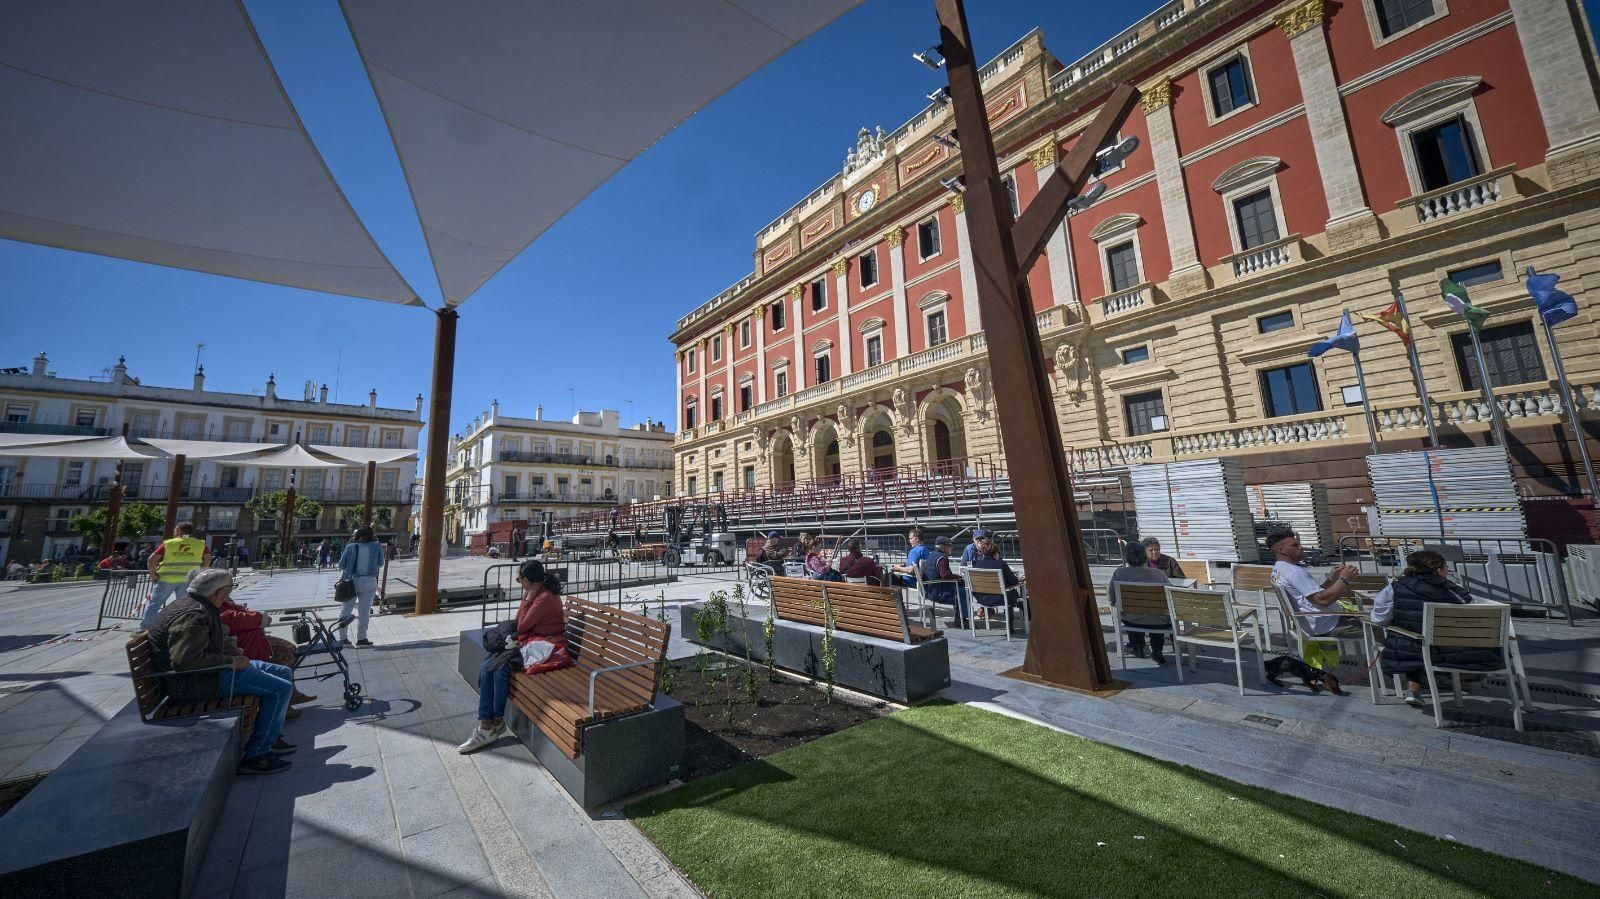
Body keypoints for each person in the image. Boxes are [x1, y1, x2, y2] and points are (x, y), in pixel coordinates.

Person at [146, 568, 295, 774]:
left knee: (283, 673)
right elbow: (184, 661)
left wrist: (235, 654)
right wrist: (231, 661)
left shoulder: (201, 605)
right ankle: (257, 755)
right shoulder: (193, 616)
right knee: (281, 688)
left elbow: (220, 638)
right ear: (217, 592)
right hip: (196, 682)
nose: (231, 593)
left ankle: (269, 733)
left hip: (210, 672)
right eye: (230, 589)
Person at [459, 559, 574, 753]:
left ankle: (491, 724)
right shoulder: (537, 593)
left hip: (548, 648)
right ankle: (490, 723)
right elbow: (519, 621)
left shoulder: (544, 598)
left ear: (528, 580)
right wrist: (527, 598)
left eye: (520, 579)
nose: (520, 583)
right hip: (533, 643)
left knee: (499, 667)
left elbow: (521, 625)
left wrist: (527, 599)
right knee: (488, 665)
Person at [1372, 550, 1499, 707]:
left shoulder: (1395, 587)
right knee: (1426, 644)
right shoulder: (1453, 590)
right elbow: (1473, 611)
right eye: (1447, 568)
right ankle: (1444, 680)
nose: (1448, 571)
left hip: (1411, 650)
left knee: (1415, 641)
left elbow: (1379, 618)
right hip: (1455, 651)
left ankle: (1415, 688)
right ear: (1438, 570)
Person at [1268, 529, 1361, 691]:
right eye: (1295, 545)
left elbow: (1310, 596)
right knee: (1384, 630)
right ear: (1281, 550)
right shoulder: (1295, 572)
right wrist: (1344, 579)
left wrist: (1331, 580)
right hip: (1327, 623)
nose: (1301, 548)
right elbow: (1322, 600)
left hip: (1311, 622)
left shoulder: (1278, 569)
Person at [215, 582, 317, 718]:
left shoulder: (218, 599)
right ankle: (284, 703)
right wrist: (260, 617)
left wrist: (256, 616)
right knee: (286, 654)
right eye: (229, 585)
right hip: (243, 646)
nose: (231, 588)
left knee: (290, 649)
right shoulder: (214, 602)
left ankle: (291, 694)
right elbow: (232, 618)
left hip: (250, 640)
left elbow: (237, 614)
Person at [142, 522, 210, 630]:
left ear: (179, 531)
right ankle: (181, 628)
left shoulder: (169, 543)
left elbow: (151, 560)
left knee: (155, 604)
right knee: (184, 606)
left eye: (175, 530)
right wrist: (200, 572)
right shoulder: (200, 544)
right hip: (188, 580)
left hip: (166, 579)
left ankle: (145, 628)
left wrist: (153, 575)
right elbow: (207, 559)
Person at [1111, 541, 1171, 663]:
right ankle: (1157, 651)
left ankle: (1137, 647)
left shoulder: (1119, 573)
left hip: (1132, 620)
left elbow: (1112, 597)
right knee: (1155, 615)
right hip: (1158, 620)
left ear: (1126, 557)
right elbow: (1170, 596)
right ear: (1145, 556)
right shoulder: (1158, 574)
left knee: (1131, 614)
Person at [337, 527, 385, 647]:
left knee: (345, 609)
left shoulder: (350, 547)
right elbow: (380, 564)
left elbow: (341, 565)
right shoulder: (377, 546)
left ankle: (343, 639)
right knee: (364, 611)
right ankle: (361, 639)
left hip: (351, 580)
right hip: (369, 580)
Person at [966, 531, 1021, 620]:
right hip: (1000, 598)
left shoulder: (976, 565)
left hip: (982, 599)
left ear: (983, 553)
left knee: (1007, 589)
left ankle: (986, 610)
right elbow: (1014, 581)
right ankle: (1010, 621)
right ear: (996, 553)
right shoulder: (1001, 564)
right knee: (1012, 591)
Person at [919, 536, 969, 628]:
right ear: (943, 547)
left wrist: (955, 577)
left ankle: (960, 618)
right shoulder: (941, 558)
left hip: (929, 590)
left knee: (961, 587)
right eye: (950, 545)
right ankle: (962, 619)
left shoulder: (932, 554)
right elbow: (945, 576)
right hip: (938, 593)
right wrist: (957, 578)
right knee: (965, 592)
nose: (952, 547)